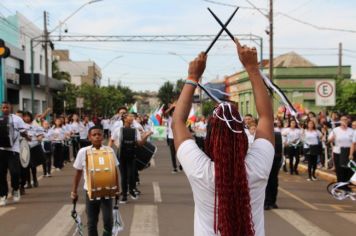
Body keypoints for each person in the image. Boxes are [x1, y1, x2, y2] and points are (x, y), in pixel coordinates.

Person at [172, 40, 275, 236]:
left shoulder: (201, 171)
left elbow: (177, 121)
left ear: (210, 139)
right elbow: (266, 117)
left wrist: (193, 76)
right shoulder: (258, 166)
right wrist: (252, 69)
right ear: (242, 137)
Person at [71, 126, 119, 236]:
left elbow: (115, 171)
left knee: (108, 221)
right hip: (90, 192)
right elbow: (78, 172)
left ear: (103, 136)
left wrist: (117, 189)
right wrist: (74, 191)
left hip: (107, 192)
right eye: (94, 135)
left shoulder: (109, 150)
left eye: (99, 134)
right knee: (92, 222)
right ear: (89, 137)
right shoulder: (83, 152)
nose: (97, 137)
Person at [109, 113, 152, 203]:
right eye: (130, 116)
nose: (132, 118)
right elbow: (112, 140)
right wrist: (108, 152)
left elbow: (139, 143)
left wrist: (146, 135)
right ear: (124, 119)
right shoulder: (118, 130)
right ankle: (124, 196)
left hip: (132, 154)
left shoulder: (135, 130)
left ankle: (131, 189)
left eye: (132, 116)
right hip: (121, 155)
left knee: (131, 175)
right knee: (123, 176)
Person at [0, 101, 27, 206]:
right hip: (1, 150)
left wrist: (26, 135)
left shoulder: (17, 119)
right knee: (1, 175)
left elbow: (23, 131)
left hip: (13, 150)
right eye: (3, 108)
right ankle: (3, 195)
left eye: (7, 107)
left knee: (15, 172)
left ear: (11, 108)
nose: (5, 109)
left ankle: (16, 189)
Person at [328, 116, 354, 184]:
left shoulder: (351, 131)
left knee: (348, 169)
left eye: (346, 119)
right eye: (343, 120)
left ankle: (346, 184)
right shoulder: (335, 130)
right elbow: (329, 140)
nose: (344, 121)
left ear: (348, 121)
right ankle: (340, 184)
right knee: (339, 169)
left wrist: (351, 153)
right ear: (340, 121)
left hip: (348, 152)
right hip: (338, 151)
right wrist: (332, 139)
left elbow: (353, 143)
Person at [22, 111, 45, 188]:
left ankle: (35, 179)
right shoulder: (21, 126)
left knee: (33, 165)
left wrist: (40, 137)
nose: (26, 118)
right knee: (26, 166)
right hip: (24, 148)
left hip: (33, 147)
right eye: (24, 116)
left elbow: (41, 134)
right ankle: (28, 182)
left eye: (28, 116)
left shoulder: (35, 125)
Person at [265, 119, 283, 210]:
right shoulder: (261, 134)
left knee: (274, 182)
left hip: (275, 161)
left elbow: (280, 151)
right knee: (266, 182)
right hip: (265, 161)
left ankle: (272, 201)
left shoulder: (277, 134)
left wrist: (280, 162)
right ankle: (267, 202)